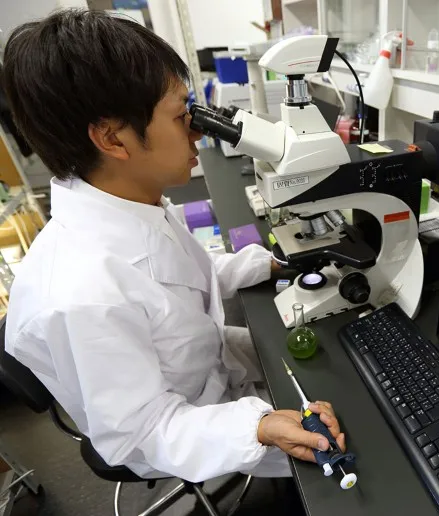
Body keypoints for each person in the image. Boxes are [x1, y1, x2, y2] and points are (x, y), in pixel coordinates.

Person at [2, 9, 345, 482]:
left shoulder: (128, 204)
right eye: (183, 115)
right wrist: (259, 425)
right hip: (183, 427)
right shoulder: (79, 296)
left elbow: (179, 278)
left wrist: (265, 263)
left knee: (337, 371)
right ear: (111, 138)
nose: (200, 131)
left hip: (206, 367)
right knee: (357, 442)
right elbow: (146, 431)